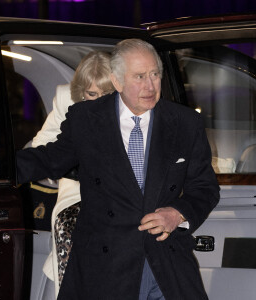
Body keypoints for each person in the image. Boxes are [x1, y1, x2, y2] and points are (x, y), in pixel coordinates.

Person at [17, 39, 220, 300]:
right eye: (139, 77)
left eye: (155, 75)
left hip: (165, 262)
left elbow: (204, 188)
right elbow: (49, 159)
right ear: (116, 81)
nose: (150, 86)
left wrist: (179, 213)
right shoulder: (86, 119)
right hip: (106, 267)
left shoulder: (184, 122)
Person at [31, 50, 114, 297]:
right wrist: (63, 165)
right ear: (80, 91)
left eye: (108, 93)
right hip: (76, 193)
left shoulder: (131, 105)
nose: (99, 99)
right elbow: (40, 148)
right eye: (92, 94)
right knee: (73, 227)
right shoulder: (65, 97)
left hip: (120, 192)